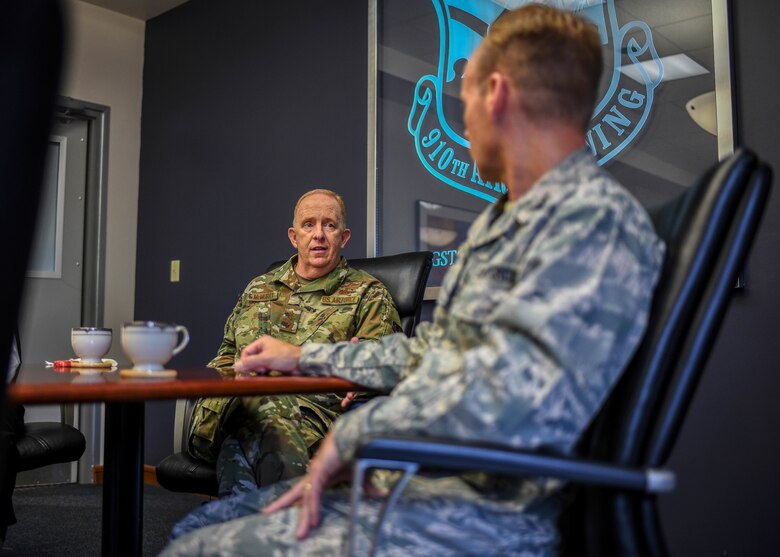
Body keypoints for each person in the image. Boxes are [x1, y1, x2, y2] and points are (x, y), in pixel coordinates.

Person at [163, 5, 665, 555]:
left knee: (196, 548)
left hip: (483, 509)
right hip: (433, 477)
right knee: (199, 528)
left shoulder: (587, 221)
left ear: (495, 94)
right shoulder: (512, 220)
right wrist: (305, 358)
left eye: (466, 97)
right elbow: (433, 354)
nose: (465, 119)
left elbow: (507, 398)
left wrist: (354, 436)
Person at [188, 188, 401, 497]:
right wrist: (236, 374)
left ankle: (247, 535)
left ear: (344, 237)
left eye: (329, 225)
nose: (318, 235)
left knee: (247, 441)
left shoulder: (368, 295)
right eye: (308, 225)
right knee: (253, 423)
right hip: (230, 412)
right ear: (293, 236)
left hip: (310, 421)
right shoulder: (259, 288)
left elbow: (381, 371)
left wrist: (356, 365)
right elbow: (225, 356)